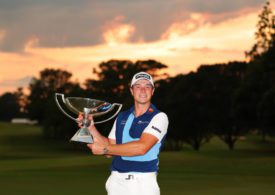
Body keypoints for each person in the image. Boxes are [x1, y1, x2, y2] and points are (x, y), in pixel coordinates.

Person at [79, 72, 169, 195]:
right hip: (116, 182)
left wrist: (105, 149)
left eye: (147, 86)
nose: (143, 90)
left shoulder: (159, 117)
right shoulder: (122, 117)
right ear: (132, 91)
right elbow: (110, 148)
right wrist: (91, 127)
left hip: (143, 183)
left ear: (152, 91)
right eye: (138, 86)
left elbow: (142, 148)